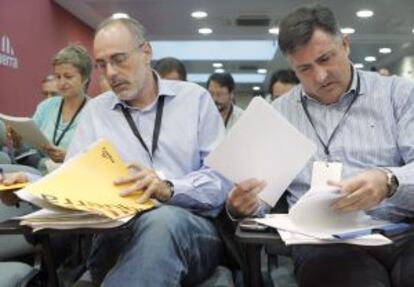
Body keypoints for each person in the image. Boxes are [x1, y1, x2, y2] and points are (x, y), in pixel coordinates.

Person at [227, 4, 414, 287]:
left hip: (402, 231)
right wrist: (243, 206)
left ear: (346, 45)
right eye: (304, 69)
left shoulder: (397, 95)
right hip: (321, 241)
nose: (320, 76)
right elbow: (260, 201)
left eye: (326, 59)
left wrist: (389, 180)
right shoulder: (277, 115)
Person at [57, 16, 227, 286]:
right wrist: (25, 185)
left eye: (119, 59)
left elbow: (222, 180)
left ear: (146, 52)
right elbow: (71, 179)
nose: (110, 73)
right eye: (102, 65)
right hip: (115, 234)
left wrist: (170, 188)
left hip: (188, 230)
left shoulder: (194, 100)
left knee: (162, 221)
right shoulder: (96, 111)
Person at [11, 45, 92, 171]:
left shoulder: (95, 111)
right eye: (57, 77)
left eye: (68, 76)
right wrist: (18, 140)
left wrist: (67, 156)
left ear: (85, 78)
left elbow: (98, 159)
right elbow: (27, 149)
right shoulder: (46, 106)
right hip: (39, 172)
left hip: (74, 174)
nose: (61, 82)